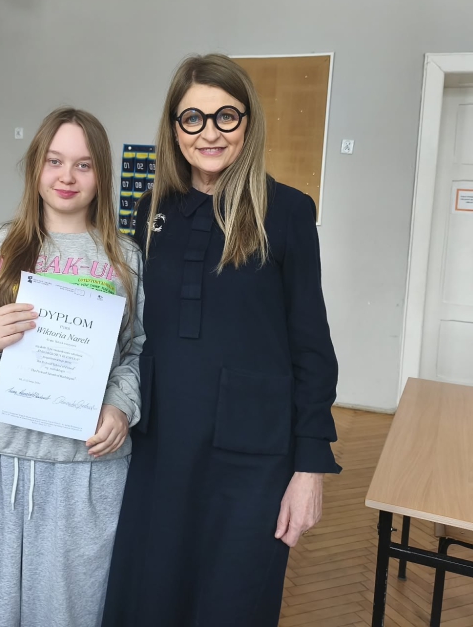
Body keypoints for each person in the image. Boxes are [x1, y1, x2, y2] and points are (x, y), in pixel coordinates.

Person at [102, 54, 341, 627]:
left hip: (251, 457)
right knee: (150, 596)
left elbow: (312, 347)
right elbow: (134, 329)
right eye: (193, 118)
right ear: (174, 127)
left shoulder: (287, 212)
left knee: (232, 602)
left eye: (225, 116)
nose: (209, 133)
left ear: (248, 122)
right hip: (160, 446)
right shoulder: (150, 210)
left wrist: (309, 468)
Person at [0, 107, 145, 627]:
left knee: (70, 609)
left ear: (102, 175)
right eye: (54, 160)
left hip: (84, 468)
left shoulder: (126, 258)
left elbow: (138, 350)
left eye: (83, 164)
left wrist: (121, 406)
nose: (67, 176)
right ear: (35, 167)